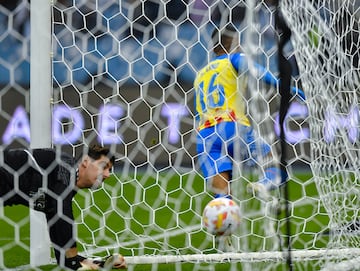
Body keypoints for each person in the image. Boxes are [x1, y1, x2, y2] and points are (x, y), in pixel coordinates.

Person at [194, 24, 304, 201]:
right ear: (235, 44)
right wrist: (285, 87)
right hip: (233, 128)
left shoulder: (200, 74)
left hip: (206, 136)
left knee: (222, 197)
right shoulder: (234, 59)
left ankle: (223, 223)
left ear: (214, 47)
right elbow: (259, 73)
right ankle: (262, 184)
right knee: (275, 167)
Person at [0, 145, 127, 270]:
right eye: (104, 167)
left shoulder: (62, 183)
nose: (107, 175)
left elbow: (55, 219)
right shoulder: (65, 167)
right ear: (85, 162)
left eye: (109, 170)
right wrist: (73, 261)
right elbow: (62, 213)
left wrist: (87, 262)